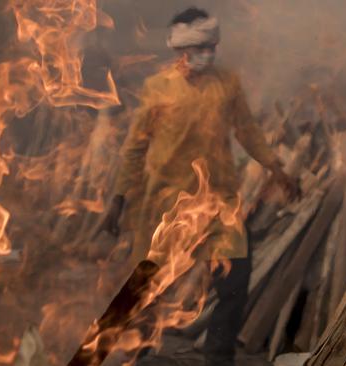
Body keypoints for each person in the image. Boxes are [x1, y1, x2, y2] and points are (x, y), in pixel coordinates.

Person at [98, 7, 298, 366]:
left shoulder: (228, 83)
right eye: (201, 47)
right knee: (146, 285)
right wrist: (118, 198)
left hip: (220, 200)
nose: (209, 54)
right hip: (166, 202)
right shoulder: (157, 87)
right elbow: (135, 148)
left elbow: (247, 130)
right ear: (180, 50)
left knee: (235, 281)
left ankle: (218, 358)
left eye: (213, 46)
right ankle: (137, 353)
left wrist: (275, 167)